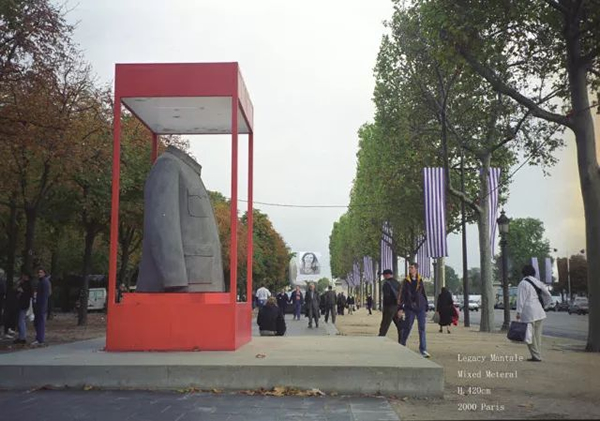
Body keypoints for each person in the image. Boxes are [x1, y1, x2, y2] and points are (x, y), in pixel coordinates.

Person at [516, 264, 553, 362]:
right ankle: (537, 355)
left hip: (529, 313)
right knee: (537, 336)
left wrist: (518, 312)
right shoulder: (538, 282)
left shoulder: (523, 283)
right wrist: (545, 305)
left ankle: (536, 356)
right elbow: (548, 295)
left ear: (523, 273)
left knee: (529, 336)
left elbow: (521, 299)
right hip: (539, 312)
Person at [398, 263, 431, 358]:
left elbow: (423, 293)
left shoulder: (420, 280)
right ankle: (402, 343)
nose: (410, 269)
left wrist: (426, 306)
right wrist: (400, 308)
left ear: (416, 269)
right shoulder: (405, 281)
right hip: (409, 307)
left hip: (420, 307)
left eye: (411, 268)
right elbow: (401, 295)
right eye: (409, 268)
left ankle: (423, 349)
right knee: (408, 326)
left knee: (422, 328)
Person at [378, 269, 402, 342]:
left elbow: (386, 296)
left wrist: (385, 306)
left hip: (389, 307)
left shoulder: (386, 284)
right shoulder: (397, 283)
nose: (383, 276)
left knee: (385, 324)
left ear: (386, 275)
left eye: (384, 275)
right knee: (399, 325)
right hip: (397, 306)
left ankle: (380, 338)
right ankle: (401, 340)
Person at [32, 268, 51, 346]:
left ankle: (40, 339)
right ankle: (38, 338)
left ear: (44, 273)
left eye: (41, 272)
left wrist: (42, 305)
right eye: (38, 272)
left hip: (41, 305)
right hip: (37, 304)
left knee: (40, 321)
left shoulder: (45, 282)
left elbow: (46, 294)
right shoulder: (40, 282)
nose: (39, 274)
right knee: (37, 321)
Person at [14, 272, 32, 345]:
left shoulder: (26, 285)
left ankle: (22, 337)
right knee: (21, 320)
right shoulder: (26, 284)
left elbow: (18, 290)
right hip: (23, 304)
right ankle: (21, 336)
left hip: (23, 304)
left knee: (21, 321)